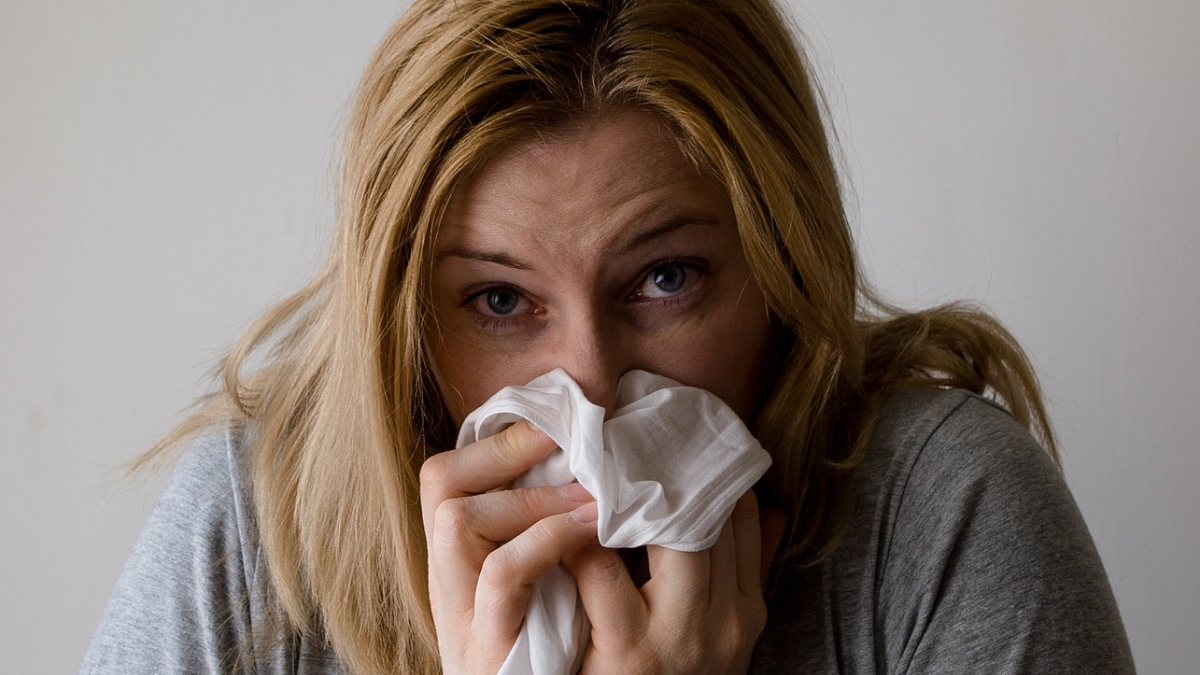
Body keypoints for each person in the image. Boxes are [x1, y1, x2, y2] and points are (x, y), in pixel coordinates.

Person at [80, 0, 1136, 673]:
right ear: (403, 323)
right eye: (499, 302)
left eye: (665, 280)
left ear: (780, 272)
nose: (585, 384)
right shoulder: (259, 533)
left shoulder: (939, 517)